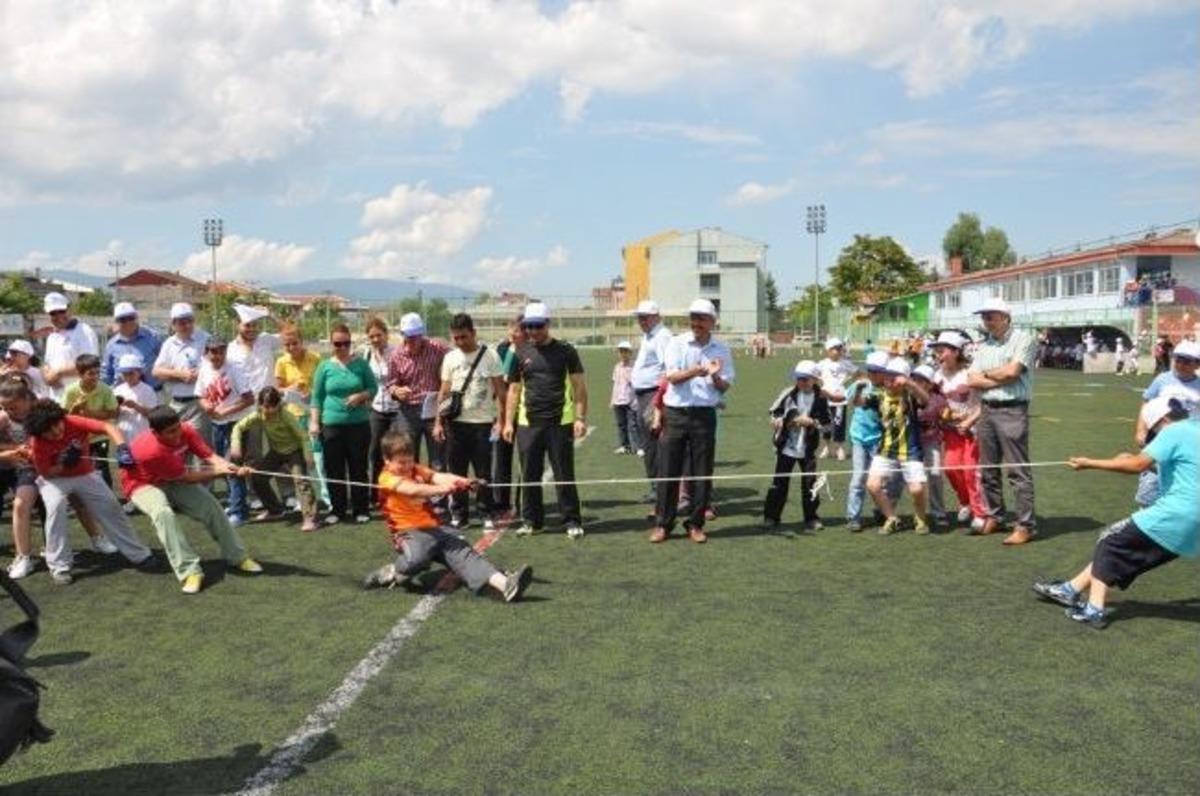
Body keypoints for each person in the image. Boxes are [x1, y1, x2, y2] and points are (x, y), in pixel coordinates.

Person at [1033, 397, 1197, 628]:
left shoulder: (1173, 432)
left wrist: (1089, 463)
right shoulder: (1194, 428)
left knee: (1110, 540)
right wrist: (1134, 460)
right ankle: (1069, 589)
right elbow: (1183, 466)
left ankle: (1094, 610)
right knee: (1121, 550)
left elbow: (1136, 466)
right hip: (1194, 531)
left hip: (1178, 513)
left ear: (1161, 421)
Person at [361, 431, 532, 602]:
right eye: (401, 462)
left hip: (436, 528)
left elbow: (439, 476)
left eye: (410, 460)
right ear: (386, 460)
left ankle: (506, 585)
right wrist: (444, 489)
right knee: (417, 558)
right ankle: (394, 571)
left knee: (465, 553)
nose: (407, 466)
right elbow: (413, 490)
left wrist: (465, 482)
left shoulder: (415, 469)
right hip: (408, 533)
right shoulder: (386, 478)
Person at [123, 406, 263, 594]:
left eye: (177, 428)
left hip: (172, 477)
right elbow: (187, 478)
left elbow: (209, 456)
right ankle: (190, 571)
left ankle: (238, 557)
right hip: (141, 483)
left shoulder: (186, 430)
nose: (176, 434)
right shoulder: (151, 450)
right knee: (163, 513)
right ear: (155, 433)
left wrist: (232, 468)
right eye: (170, 432)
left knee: (212, 506)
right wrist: (221, 472)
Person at [22, 399, 153, 585]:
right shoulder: (37, 443)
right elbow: (46, 473)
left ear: (61, 418)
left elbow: (109, 427)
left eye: (56, 425)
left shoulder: (72, 421)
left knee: (111, 506)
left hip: (85, 474)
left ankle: (139, 554)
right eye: (48, 432)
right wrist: (63, 464)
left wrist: (123, 448)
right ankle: (59, 567)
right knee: (55, 510)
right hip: (55, 479)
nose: (55, 432)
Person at [649, 298, 734, 544]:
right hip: (675, 413)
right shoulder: (677, 343)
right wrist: (698, 371)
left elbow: (725, 386)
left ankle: (695, 524)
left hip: (704, 415)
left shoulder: (722, 349)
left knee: (702, 472)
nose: (696, 322)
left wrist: (715, 376)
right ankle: (663, 524)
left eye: (702, 318)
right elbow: (672, 377)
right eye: (693, 318)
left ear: (712, 322)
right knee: (668, 470)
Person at [502, 302, 588, 539]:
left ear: (548, 324)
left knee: (564, 473)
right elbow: (513, 390)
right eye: (529, 326)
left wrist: (580, 418)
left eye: (538, 326)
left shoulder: (566, 351)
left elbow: (579, 386)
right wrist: (508, 423)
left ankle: (571, 520)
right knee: (529, 474)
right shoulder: (520, 353)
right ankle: (531, 521)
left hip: (560, 422)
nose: (533, 331)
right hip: (528, 424)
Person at [967, 297, 1038, 545]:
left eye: (991, 315)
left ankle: (1025, 525)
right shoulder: (983, 344)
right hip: (987, 410)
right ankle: (995, 516)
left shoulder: (1024, 339)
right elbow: (972, 380)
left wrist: (990, 375)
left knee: (1017, 471)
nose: (986, 320)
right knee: (988, 469)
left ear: (1006, 317)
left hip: (1012, 410)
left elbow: (1013, 372)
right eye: (984, 316)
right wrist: (997, 377)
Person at [432, 313, 505, 532]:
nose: (460, 342)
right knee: (457, 472)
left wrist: (501, 421)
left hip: (482, 424)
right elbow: (443, 393)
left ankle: (486, 513)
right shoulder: (450, 358)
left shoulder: (490, 356)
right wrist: (437, 423)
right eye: (456, 338)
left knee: (483, 472)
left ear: (474, 333)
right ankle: (459, 514)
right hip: (456, 424)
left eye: (464, 337)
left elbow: (501, 392)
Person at [310, 323, 377, 525]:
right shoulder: (324, 366)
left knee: (358, 467)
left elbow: (373, 387)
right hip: (331, 425)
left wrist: (361, 396)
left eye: (346, 343)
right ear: (331, 344)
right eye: (338, 344)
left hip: (359, 425)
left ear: (350, 343)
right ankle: (337, 509)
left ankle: (361, 508)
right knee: (334, 469)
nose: (342, 347)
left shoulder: (361, 365)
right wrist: (314, 422)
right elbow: (316, 397)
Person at [231, 387, 318, 531]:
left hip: (294, 452)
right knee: (258, 478)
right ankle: (275, 510)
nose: (268, 411)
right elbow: (238, 427)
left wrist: (308, 455)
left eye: (272, 407)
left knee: (301, 481)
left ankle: (309, 518)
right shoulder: (259, 414)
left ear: (278, 404)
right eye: (264, 407)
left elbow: (303, 436)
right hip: (276, 451)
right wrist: (236, 444)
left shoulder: (286, 415)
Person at [866, 357, 931, 535]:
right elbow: (858, 402)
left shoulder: (910, 397)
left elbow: (926, 400)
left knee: (916, 489)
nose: (889, 381)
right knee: (872, 485)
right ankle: (892, 518)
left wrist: (910, 384)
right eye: (887, 377)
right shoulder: (879, 395)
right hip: (885, 450)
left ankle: (920, 517)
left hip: (911, 450)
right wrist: (857, 391)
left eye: (893, 378)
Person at [762, 360, 830, 531]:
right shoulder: (788, 393)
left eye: (805, 379)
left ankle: (811, 518)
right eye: (798, 378)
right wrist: (776, 420)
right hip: (785, 447)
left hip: (807, 449)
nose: (801, 382)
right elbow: (774, 412)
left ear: (815, 379)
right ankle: (771, 517)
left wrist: (812, 422)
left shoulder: (821, 398)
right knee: (779, 483)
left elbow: (828, 424)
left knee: (810, 484)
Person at [1132, 339, 1200, 507]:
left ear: (1197, 364)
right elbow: (1147, 403)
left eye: (1186, 361)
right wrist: (1140, 430)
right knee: (1150, 484)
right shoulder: (1162, 379)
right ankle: (1146, 513)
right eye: (1178, 359)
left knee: (1181, 479)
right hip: (1158, 439)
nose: (1180, 364)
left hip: (1187, 441)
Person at [196, 336, 255, 525]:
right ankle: (235, 502)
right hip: (217, 425)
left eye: (221, 351)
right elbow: (200, 395)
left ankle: (239, 512)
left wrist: (225, 412)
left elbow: (249, 399)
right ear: (207, 352)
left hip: (236, 424)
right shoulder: (204, 369)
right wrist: (207, 406)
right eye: (213, 351)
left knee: (231, 466)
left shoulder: (234, 369)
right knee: (223, 465)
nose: (217, 355)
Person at [932, 331, 988, 530]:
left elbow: (986, 402)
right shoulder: (936, 375)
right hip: (950, 431)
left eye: (942, 350)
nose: (938, 354)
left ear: (956, 351)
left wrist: (970, 420)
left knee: (971, 472)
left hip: (972, 431)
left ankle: (980, 512)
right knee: (951, 468)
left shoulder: (970, 373)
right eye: (936, 351)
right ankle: (964, 501)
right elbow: (934, 403)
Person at [386, 312, 449, 470]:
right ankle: (413, 493)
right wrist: (397, 391)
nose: (413, 340)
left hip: (433, 411)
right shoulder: (396, 356)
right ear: (403, 335)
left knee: (438, 460)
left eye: (416, 336)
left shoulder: (437, 349)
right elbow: (390, 384)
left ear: (422, 333)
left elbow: (455, 358)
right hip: (407, 412)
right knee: (406, 458)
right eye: (409, 336)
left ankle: (437, 494)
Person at [845, 351, 896, 532]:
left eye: (877, 371)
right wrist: (858, 387)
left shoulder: (890, 389)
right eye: (870, 371)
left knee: (883, 481)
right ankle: (853, 517)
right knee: (858, 478)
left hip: (880, 440)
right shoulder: (862, 384)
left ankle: (881, 512)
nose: (873, 375)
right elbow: (855, 402)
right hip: (859, 438)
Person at [0, 379, 44, 579]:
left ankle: (23, 557)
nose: (9, 411)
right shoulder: (2, 418)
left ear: (27, 400)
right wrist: (10, 451)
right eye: (5, 407)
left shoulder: (41, 416)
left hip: (28, 469)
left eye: (14, 407)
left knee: (20, 505)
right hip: (4, 467)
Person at [630, 301, 673, 504]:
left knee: (654, 443)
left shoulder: (662, 336)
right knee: (650, 444)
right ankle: (657, 486)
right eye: (639, 317)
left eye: (645, 317)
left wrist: (658, 401)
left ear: (657, 316)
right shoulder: (650, 336)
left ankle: (660, 488)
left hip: (653, 395)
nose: (641, 321)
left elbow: (668, 369)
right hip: (644, 395)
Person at [61, 353, 120, 490]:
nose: (96, 376)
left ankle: (108, 496)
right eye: (91, 373)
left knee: (102, 466)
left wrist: (90, 413)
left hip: (100, 435)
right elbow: (65, 416)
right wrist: (75, 409)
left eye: (97, 373)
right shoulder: (71, 390)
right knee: (80, 465)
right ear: (80, 374)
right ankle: (84, 496)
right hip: (79, 437)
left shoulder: (105, 389)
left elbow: (114, 412)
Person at [152, 302, 210, 435]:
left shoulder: (205, 339)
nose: (187, 325)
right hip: (176, 403)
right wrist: (179, 374)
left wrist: (199, 374)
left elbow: (216, 366)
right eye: (182, 322)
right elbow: (156, 371)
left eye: (190, 321)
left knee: (199, 445)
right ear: (173, 324)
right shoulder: (169, 344)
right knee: (178, 446)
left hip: (198, 402)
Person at [490, 317, 526, 517]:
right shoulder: (501, 350)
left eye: (517, 330)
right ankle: (500, 500)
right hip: (501, 411)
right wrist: (500, 418)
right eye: (511, 328)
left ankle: (522, 502)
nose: (513, 333)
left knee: (525, 459)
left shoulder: (530, 351)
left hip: (524, 413)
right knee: (500, 457)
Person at [40, 291, 99, 402]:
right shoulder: (52, 337)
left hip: (81, 400)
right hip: (57, 399)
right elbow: (47, 363)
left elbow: (91, 365)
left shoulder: (84, 331)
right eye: (53, 313)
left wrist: (58, 373)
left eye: (62, 311)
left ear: (70, 310)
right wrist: (47, 376)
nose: (58, 316)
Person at [362, 317, 398, 488]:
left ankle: (400, 490)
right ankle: (376, 492)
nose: (376, 339)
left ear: (386, 334)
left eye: (379, 335)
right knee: (374, 452)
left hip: (397, 410)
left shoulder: (397, 353)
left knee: (397, 452)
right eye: (372, 336)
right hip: (376, 410)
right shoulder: (367, 354)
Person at [911, 365, 947, 528]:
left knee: (935, 475)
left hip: (931, 440)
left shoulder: (938, 398)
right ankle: (887, 511)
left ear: (930, 384)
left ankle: (938, 512)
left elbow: (945, 416)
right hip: (910, 441)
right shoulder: (907, 395)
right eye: (915, 379)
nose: (916, 383)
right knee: (898, 477)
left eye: (921, 380)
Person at [101, 302, 162, 389]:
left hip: (152, 393)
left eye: (131, 318)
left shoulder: (153, 337)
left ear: (136, 318)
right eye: (122, 320)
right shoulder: (111, 345)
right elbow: (106, 374)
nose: (128, 322)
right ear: (116, 322)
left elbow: (164, 363)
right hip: (122, 395)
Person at [816, 337, 856, 460]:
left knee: (839, 423)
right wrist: (821, 386)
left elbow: (857, 374)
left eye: (839, 348)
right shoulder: (822, 364)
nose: (838, 351)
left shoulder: (845, 363)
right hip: (825, 398)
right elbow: (813, 375)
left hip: (840, 399)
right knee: (825, 423)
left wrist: (848, 386)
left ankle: (839, 448)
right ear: (828, 350)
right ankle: (827, 447)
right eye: (834, 349)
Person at [227, 303, 281, 395]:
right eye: (247, 325)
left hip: (270, 402)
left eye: (255, 325)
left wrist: (271, 316)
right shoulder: (230, 350)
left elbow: (290, 334)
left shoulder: (266, 339)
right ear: (237, 324)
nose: (251, 329)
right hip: (245, 404)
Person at [113, 352, 159, 446]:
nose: (128, 377)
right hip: (123, 434)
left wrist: (135, 406)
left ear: (139, 372)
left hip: (142, 433)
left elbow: (153, 414)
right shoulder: (118, 390)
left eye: (131, 373)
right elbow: (113, 415)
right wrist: (117, 407)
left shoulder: (147, 390)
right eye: (125, 374)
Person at [610, 341, 639, 455]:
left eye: (625, 351)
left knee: (633, 425)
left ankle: (638, 447)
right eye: (621, 351)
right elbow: (615, 384)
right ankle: (624, 446)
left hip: (630, 400)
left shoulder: (634, 366)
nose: (623, 354)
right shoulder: (617, 367)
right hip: (618, 400)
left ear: (630, 353)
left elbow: (635, 383)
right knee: (621, 425)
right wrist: (612, 399)